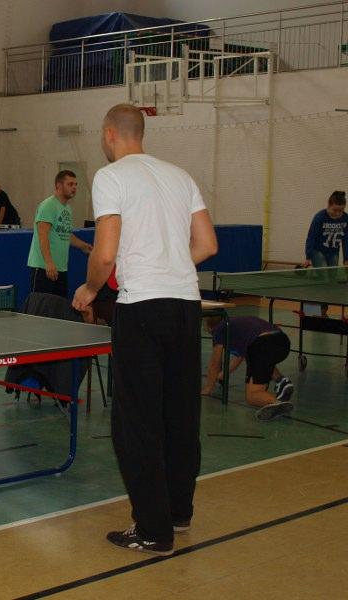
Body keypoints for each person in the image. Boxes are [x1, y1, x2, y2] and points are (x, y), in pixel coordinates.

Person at [72, 104, 218, 556]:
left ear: (109, 133)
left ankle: (153, 530)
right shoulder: (180, 176)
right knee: (180, 415)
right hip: (186, 306)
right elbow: (207, 244)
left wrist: (90, 289)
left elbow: (105, 252)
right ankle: (178, 512)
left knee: (136, 422)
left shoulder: (110, 176)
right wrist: (168, 265)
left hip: (141, 309)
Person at [202, 315, 294, 420]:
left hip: (263, 344)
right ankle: (282, 381)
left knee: (252, 396)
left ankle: (276, 403)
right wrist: (222, 375)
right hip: (283, 342)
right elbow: (240, 357)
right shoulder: (236, 325)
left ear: (210, 327)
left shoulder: (220, 329)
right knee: (260, 362)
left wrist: (208, 388)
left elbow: (215, 362)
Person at [26, 170, 93, 298]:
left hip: (60, 269)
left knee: (58, 307)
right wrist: (49, 263)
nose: (74, 187)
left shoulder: (67, 208)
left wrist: (83, 246)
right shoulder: (48, 206)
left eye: (76, 184)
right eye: (70, 184)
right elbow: (42, 235)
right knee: (41, 307)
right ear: (58, 185)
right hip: (44, 269)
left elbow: (65, 234)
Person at [303, 190, 348, 268]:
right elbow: (311, 237)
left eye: (341, 210)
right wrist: (308, 256)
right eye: (335, 210)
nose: (337, 213)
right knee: (323, 273)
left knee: (332, 274)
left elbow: (346, 239)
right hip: (318, 251)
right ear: (328, 205)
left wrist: (346, 258)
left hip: (333, 252)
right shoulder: (320, 217)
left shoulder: (345, 218)